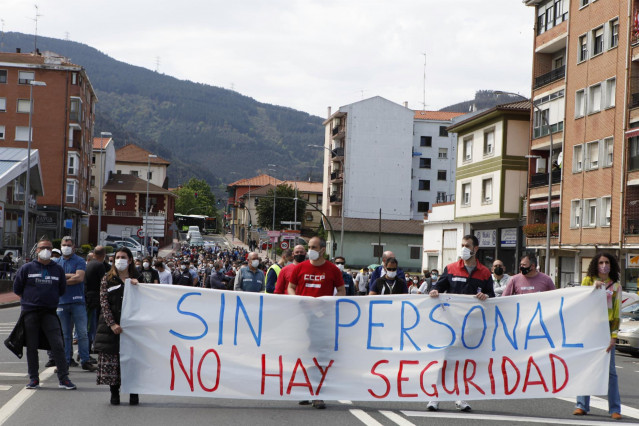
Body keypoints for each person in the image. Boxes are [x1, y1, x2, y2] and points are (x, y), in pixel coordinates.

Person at [427, 234, 494, 412]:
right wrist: (434, 291)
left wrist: (485, 296)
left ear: (476, 249)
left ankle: (461, 397)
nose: (464, 248)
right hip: (449, 324)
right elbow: (437, 287)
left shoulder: (485, 272)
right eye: (462, 245)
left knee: (465, 362)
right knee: (443, 361)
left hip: (471, 326)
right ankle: (434, 397)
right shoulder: (450, 268)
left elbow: (492, 297)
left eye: (468, 245)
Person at [288, 237, 345, 409]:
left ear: (322, 250)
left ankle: (318, 394)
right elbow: (291, 287)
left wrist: (329, 304)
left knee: (320, 358)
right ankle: (306, 391)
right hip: (302, 318)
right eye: (308, 247)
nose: (309, 250)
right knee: (304, 356)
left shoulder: (333, 269)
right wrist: (297, 299)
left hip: (322, 320)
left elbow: (342, 291)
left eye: (313, 247)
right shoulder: (300, 268)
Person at [13, 237, 77, 390]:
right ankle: (34, 379)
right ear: (37, 251)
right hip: (30, 313)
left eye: (48, 248)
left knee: (58, 344)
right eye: (42, 248)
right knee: (32, 347)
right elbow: (17, 288)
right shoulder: (27, 268)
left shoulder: (58, 269)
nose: (46, 251)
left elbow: (61, 289)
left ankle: (64, 378)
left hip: (49, 312)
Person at [573, 253, 622, 420]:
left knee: (611, 372)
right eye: (601, 262)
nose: (604, 265)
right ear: (595, 264)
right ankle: (581, 405)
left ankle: (615, 409)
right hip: (589, 330)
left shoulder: (616, 286)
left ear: (612, 265)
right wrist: (592, 287)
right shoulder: (588, 281)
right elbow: (580, 301)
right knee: (586, 367)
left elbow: (616, 314)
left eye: (607, 262)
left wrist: (614, 336)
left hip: (606, 331)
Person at [94, 247, 145, 405]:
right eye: (117, 257)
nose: (120, 260)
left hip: (133, 328)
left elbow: (146, 302)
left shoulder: (139, 278)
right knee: (113, 361)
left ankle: (133, 393)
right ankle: (114, 392)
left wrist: (139, 287)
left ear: (130, 260)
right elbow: (104, 303)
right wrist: (112, 324)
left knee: (133, 361)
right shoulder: (107, 279)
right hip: (112, 328)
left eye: (123, 257)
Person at [53, 236, 96, 372]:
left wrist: (61, 279)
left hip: (78, 302)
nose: (66, 247)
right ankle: (65, 361)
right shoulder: (56, 263)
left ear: (73, 247)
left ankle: (85, 360)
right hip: (61, 302)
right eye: (64, 244)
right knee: (65, 334)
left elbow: (79, 278)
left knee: (82, 333)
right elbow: (72, 277)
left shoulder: (79, 260)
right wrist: (70, 276)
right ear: (61, 245)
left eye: (69, 245)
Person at [84, 245, 109, 355]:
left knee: (88, 324)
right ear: (104, 255)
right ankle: (88, 348)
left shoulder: (89, 264)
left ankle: (86, 349)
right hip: (95, 299)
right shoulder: (99, 266)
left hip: (87, 297)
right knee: (92, 325)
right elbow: (103, 283)